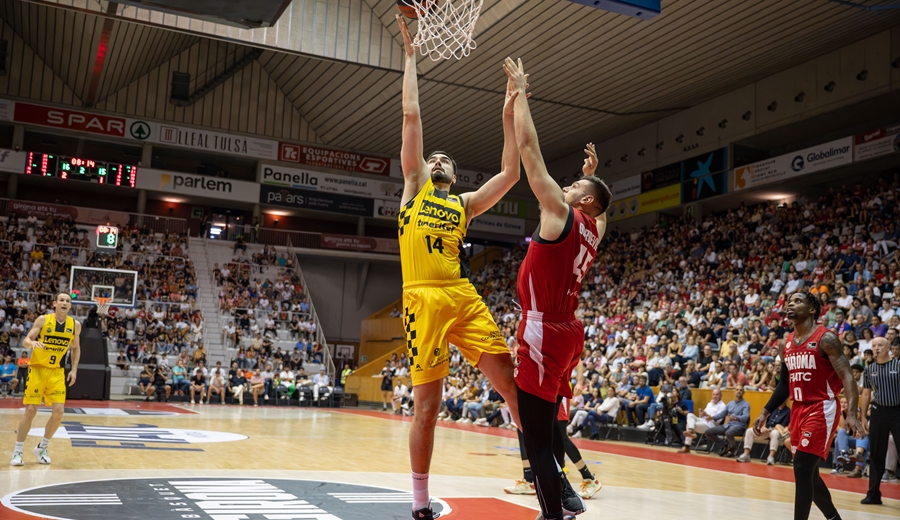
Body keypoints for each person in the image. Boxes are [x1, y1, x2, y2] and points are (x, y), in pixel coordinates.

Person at [396, 16, 524, 520]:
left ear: (455, 173)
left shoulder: (464, 204)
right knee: (427, 407)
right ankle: (419, 502)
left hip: (461, 295)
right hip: (422, 298)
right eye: (433, 158)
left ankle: (543, 471)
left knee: (511, 384)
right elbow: (411, 115)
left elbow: (510, 172)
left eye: (445, 159)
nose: (438, 161)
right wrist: (411, 57)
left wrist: (510, 109)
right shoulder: (413, 189)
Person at [505, 56, 611, 520]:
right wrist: (595, 177)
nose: (564, 186)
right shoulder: (593, 229)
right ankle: (565, 497)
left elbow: (529, 149)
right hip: (567, 331)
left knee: (536, 443)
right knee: (545, 432)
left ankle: (554, 512)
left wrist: (521, 94)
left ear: (582, 200)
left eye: (574, 185)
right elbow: (603, 212)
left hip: (544, 327)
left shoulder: (560, 213)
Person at [753, 292, 864, 520]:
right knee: (809, 475)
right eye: (789, 302)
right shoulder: (785, 343)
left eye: (797, 301)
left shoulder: (826, 338)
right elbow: (784, 385)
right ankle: (834, 518)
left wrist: (852, 413)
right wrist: (765, 412)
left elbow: (847, 377)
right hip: (798, 409)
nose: (790, 305)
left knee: (802, 467)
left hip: (822, 407)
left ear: (812, 309)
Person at [10, 293, 81, 466]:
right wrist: (32, 343)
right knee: (30, 410)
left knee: (59, 411)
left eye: (68, 301)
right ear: (55, 303)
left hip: (57, 372)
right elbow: (26, 341)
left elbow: (76, 347)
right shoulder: (43, 320)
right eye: (61, 300)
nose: (64, 303)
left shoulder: (75, 325)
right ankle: (17, 451)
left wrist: (74, 370)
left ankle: (42, 447)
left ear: (70, 306)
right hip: (37, 370)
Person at [859, 337, 900, 504]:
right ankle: (873, 494)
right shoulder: (869, 369)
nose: (877, 348)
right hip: (877, 412)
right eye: (874, 345)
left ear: (888, 347)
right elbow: (866, 393)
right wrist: (863, 416)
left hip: (897, 411)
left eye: (880, 345)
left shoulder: (898, 365)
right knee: (876, 453)